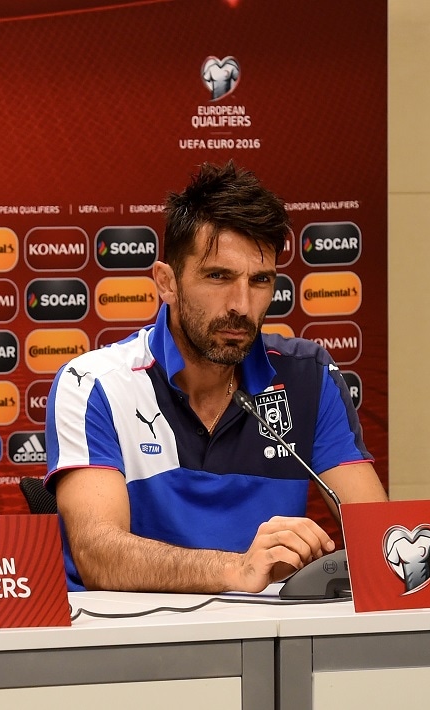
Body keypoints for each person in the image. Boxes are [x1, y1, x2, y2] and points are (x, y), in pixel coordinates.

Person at [44, 161, 387, 594]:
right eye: (218, 276)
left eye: (260, 281)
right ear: (166, 282)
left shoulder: (308, 377)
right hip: (129, 632)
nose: (241, 305)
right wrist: (236, 570)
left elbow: (381, 539)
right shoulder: (94, 384)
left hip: (267, 632)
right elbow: (99, 557)